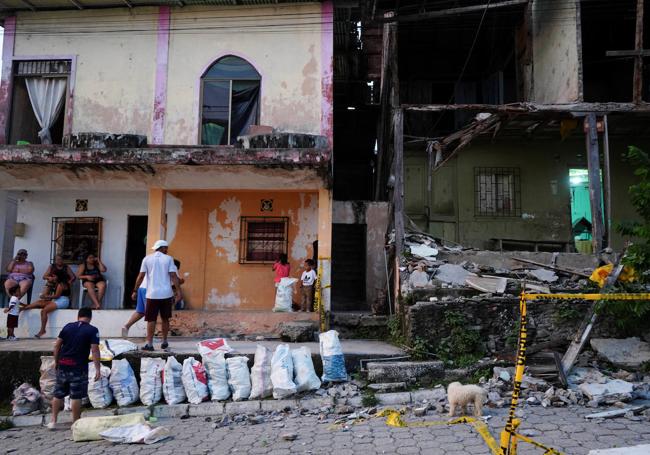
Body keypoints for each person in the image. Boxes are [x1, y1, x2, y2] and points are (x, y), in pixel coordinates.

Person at [48, 307, 100, 429]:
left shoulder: (67, 327)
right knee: (76, 396)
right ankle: (75, 423)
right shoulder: (92, 330)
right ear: (90, 317)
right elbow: (95, 350)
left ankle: (53, 421)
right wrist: (97, 368)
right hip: (78, 367)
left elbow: (56, 346)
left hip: (63, 364)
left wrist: (56, 362)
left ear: (78, 316)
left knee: (58, 394)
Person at [131, 240, 179, 351]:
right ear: (162, 248)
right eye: (166, 248)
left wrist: (135, 290)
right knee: (165, 318)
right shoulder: (169, 259)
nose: (167, 250)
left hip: (151, 294)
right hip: (166, 294)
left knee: (151, 319)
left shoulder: (147, 259)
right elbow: (173, 276)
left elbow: (141, 276)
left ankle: (149, 344)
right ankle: (165, 341)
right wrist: (179, 292)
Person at [21, 273, 71, 338]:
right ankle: (23, 308)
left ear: (58, 277)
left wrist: (46, 296)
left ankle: (42, 330)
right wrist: (48, 284)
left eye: (54, 276)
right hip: (58, 300)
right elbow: (46, 292)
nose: (52, 277)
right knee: (39, 302)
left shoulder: (60, 284)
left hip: (63, 301)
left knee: (44, 311)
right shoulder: (55, 284)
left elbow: (56, 296)